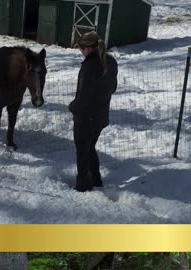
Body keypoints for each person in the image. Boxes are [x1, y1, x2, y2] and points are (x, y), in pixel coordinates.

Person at [69, 31, 118, 192]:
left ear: (86, 49)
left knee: (83, 151)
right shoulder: (111, 62)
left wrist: (72, 107)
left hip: (86, 118)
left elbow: (83, 97)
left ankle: (83, 186)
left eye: (80, 49)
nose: (80, 53)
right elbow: (113, 88)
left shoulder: (89, 66)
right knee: (89, 148)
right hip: (101, 116)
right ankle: (96, 180)